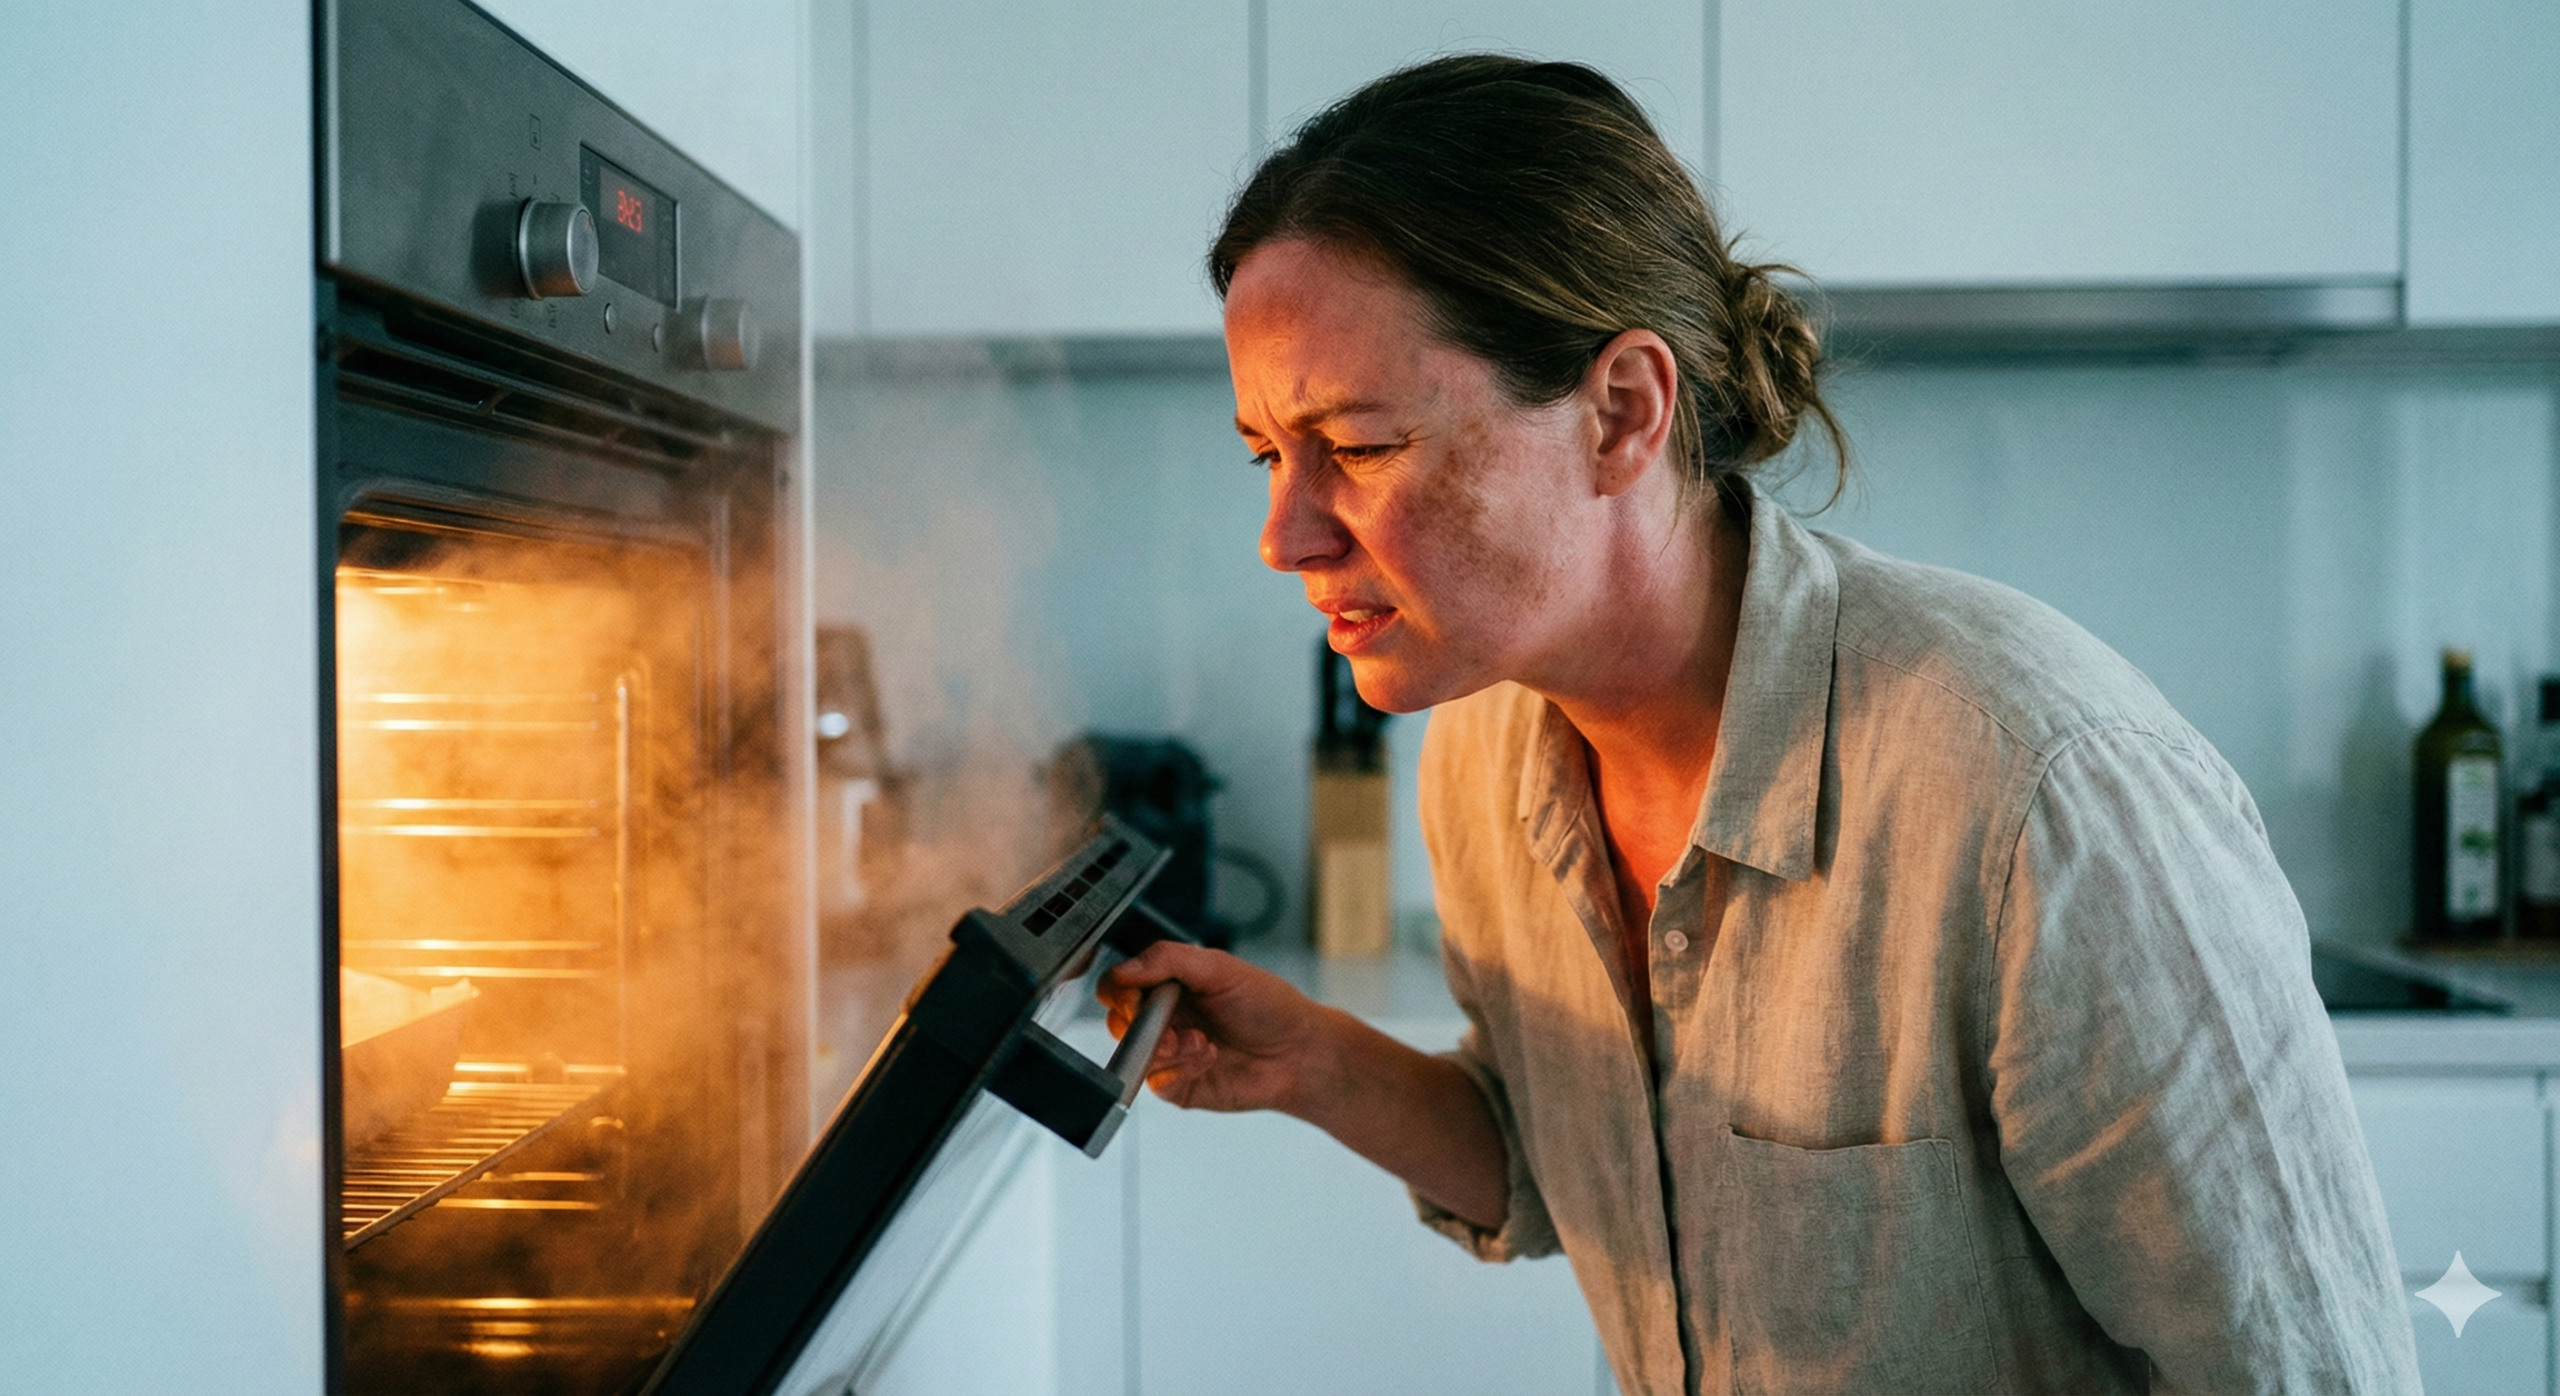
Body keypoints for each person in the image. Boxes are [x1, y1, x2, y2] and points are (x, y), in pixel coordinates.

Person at [1100, 54, 2420, 1394]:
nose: (1283, 534)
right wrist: (1317, 1060)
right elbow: (1576, 1167)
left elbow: (2311, 1373)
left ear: (1622, 412)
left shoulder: (2040, 795)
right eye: (1270, 453)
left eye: (1360, 446)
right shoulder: (1483, 755)